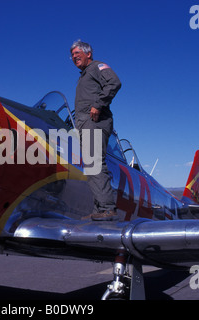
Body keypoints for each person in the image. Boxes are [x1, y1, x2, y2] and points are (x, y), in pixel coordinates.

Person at [70, 40, 121, 221]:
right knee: (92, 165)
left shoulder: (97, 66)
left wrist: (98, 104)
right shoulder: (84, 75)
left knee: (94, 163)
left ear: (88, 53)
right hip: (86, 123)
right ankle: (99, 209)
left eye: (77, 53)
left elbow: (114, 82)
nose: (74, 56)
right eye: (72, 54)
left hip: (95, 121)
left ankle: (107, 208)